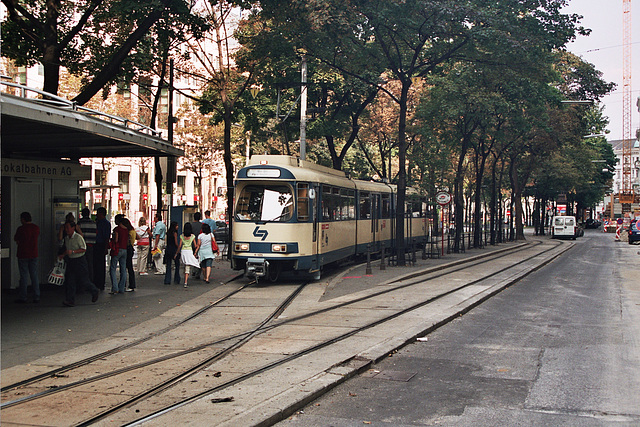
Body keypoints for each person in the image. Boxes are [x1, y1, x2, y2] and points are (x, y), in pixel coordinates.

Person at [59, 221, 99, 307]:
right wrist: (63, 255)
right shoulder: (66, 238)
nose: (67, 230)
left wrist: (73, 251)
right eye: (65, 228)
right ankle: (70, 300)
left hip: (79, 260)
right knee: (70, 281)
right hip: (71, 260)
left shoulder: (78, 237)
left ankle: (94, 290)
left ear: (73, 228)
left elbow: (84, 249)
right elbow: (67, 249)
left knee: (83, 280)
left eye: (68, 227)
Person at [13, 211, 40, 303]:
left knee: (24, 276)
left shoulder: (21, 229)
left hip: (23, 254)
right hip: (34, 254)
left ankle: (23, 296)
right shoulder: (36, 228)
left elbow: (16, 239)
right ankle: (36, 296)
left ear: (23, 219)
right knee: (34, 275)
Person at [175, 222, 200, 288]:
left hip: (183, 251)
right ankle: (185, 282)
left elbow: (180, 245)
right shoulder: (193, 236)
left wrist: (177, 253)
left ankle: (185, 277)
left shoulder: (181, 236)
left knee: (185, 265)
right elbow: (195, 246)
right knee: (188, 266)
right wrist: (196, 251)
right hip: (189, 251)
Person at [109, 216, 128, 294]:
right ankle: (122, 288)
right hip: (124, 249)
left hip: (117, 249)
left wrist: (112, 239)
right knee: (123, 269)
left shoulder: (117, 229)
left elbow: (116, 240)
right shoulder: (126, 229)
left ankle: (115, 287)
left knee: (113, 268)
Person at [93, 207, 111, 290]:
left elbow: (106, 237)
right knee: (96, 264)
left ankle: (100, 283)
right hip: (96, 244)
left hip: (100, 244)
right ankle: (97, 281)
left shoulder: (105, 224)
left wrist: (106, 247)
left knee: (100, 264)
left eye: (98, 213)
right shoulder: (97, 222)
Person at [78, 208, 96, 282]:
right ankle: (90, 281)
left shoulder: (80, 223)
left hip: (81, 247)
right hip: (91, 246)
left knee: (81, 265)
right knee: (90, 264)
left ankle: (83, 282)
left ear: (82, 214)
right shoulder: (93, 223)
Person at [122, 217, 136, 292]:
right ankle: (131, 284)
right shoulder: (133, 231)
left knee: (126, 267)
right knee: (130, 267)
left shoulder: (128, 232)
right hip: (131, 248)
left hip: (127, 249)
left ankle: (126, 284)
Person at [190, 212, 203, 280]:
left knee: (193, 257)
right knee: (199, 258)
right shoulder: (202, 225)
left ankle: (193, 271)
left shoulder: (191, 225)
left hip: (192, 243)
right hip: (200, 243)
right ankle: (198, 272)